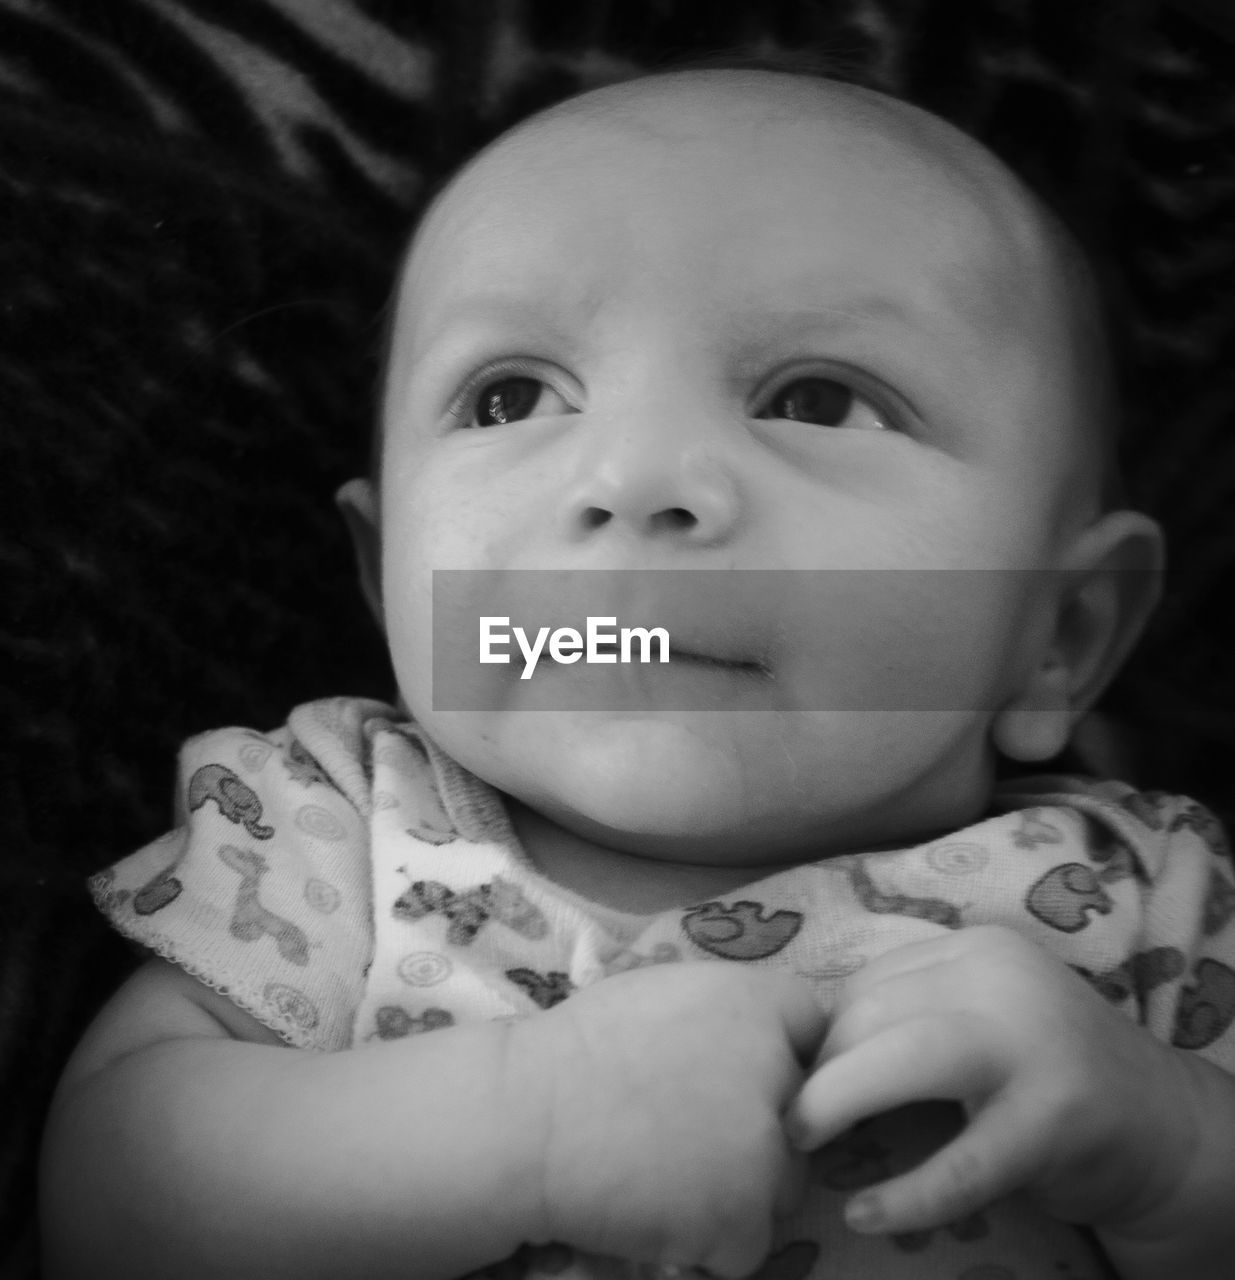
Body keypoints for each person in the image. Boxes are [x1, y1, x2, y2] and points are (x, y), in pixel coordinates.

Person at [39, 66, 1235, 1280]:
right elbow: (109, 1199)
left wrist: (1173, 1147)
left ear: (1059, 634)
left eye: (817, 398)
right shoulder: (329, 824)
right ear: (383, 568)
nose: (635, 474)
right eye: (510, 395)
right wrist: (527, 1122)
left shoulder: (1148, 897)